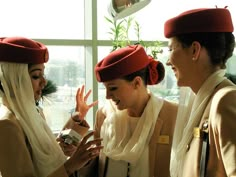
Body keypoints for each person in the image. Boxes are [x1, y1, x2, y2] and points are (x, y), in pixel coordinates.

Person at [0, 36, 103, 177]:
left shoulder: (33, 112)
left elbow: (42, 153)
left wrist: (76, 119)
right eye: (36, 76)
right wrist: (70, 165)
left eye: (43, 74)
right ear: (15, 79)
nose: (44, 82)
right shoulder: (7, 125)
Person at [78, 44, 178, 177]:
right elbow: (96, 167)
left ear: (137, 83)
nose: (107, 96)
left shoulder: (173, 116)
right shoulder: (103, 116)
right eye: (105, 88)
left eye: (113, 88)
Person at [164, 7, 236, 177]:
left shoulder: (225, 99)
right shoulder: (204, 100)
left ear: (195, 50)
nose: (168, 62)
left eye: (171, 49)